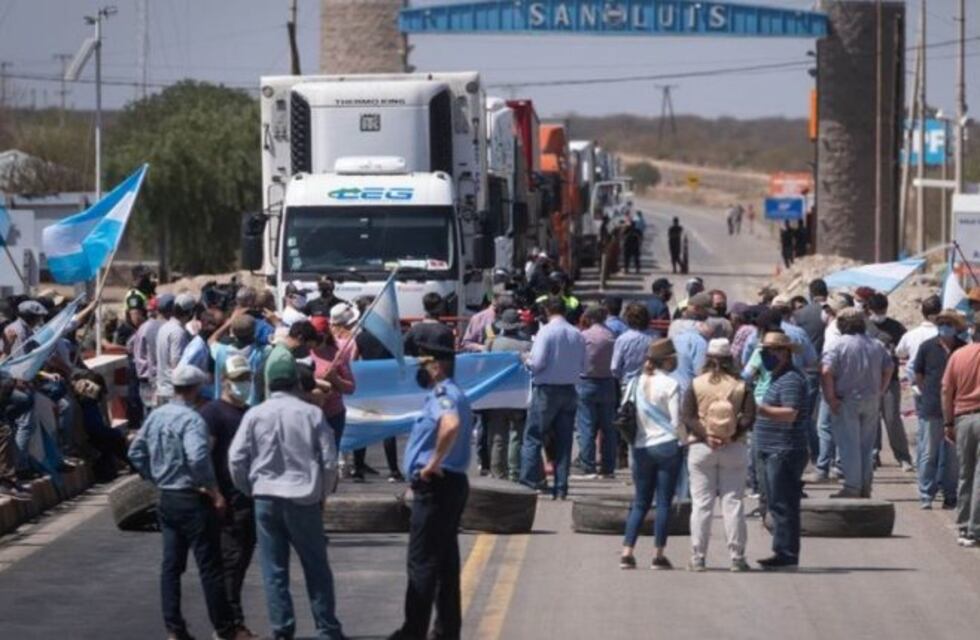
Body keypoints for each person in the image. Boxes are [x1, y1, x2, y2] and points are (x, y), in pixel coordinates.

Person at [228, 351, 345, 639]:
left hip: (266, 498)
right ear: (296, 381)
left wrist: (250, 489)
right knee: (316, 567)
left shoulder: (255, 414)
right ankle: (326, 628)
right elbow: (330, 462)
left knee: (274, 570)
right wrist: (322, 493)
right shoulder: (312, 414)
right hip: (304, 498)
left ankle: (282, 630)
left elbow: (235, 459)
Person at [127, 365, 242, 640]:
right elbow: (197, 458)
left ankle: (174, 628)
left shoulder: (157, 416)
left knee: (171, 566)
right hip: (192, 498)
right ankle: (226, 628)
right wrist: (214, 492)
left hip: (167, 496)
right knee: (210, 567)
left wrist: (154, 476)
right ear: (195, 389)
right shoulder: (193, 421)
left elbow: (135, 451)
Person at [389, 340, 474, 640]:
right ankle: (446, 631)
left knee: (422, 563)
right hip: (451, 486)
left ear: (435, 367)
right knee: (445, 564)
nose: (421, 372)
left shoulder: (443, 394)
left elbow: (449, 425)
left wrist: (432, 463)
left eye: (423, 365)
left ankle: (413, 632)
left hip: (436, 487)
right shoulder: (455, 393)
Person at [682, 337, 755, 572]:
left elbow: (688, 416)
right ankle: (737, 557)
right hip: (733, 447)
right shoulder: (741, 385)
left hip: (702, 448)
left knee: (702, 504)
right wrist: (731, 436)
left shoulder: (696, 383)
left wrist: (707, 436)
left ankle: (698, 556)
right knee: (732, 503)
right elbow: (749, 417)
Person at [198, 356, 259, 638]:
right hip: (227, 501)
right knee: (230, 563)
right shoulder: (213, 413)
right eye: (238, 379)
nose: (244, 384)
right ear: (225, 380)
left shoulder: (248, 413)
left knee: (241, 561)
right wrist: (214, 493)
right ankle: (230, 624)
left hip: (248, 499)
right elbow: (203, 457)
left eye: (247, 378)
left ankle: (233, 621)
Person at [620, 339, 683, 570]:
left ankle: (627, 552)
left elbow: (625, 411)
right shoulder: (671, 384)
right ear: (667, 360)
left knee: (640, 502)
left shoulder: (634, 382)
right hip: (667, 445)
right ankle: (658, 555)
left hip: (641, 446)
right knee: (664, 502)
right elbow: (677, 421)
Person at [821, 308, 892, 498]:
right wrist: (881, 391)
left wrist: (831, 398)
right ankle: (865, 486)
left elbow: (826, 371)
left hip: (847, 401)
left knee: (848, 444)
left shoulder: (838, 345)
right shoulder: (876, 344)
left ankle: (852, 487)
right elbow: (889, 368)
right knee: (866, 446)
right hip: (871, 400)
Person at [520, 296, 586, 499]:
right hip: (569, 390)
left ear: (548, 311)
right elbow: (583, 365)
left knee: (533, 437)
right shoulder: (577, 333)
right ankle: (561, 487)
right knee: (564, 442)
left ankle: (529, 483)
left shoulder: (545, 332)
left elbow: (538, 362)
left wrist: (526, 360)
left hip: (547, 390)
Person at [754, 332, 809, 570]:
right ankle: (782, 550)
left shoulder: (791, 380)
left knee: (783, 503)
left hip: (784, 449)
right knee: (776, 502)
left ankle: (786, 553)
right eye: (765, 351)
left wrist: (759, 410)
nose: (767, 356)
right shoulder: (776, 377)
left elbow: (790, 413)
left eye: (772, 351)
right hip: (771, 447)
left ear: (785, 353)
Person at [913, 310, 964, 510]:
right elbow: (918, 374)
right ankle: (926, 493)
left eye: (949, 323)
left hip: (956, 408)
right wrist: (927, 393)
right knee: (928, 453)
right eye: (942, 323)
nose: (945, 327)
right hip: (932, 408)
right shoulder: (927, 347)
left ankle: (950, 495)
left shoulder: (962, 348)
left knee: (952, 457)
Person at [866, 292, 914, 471]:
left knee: (892, 418)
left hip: (891, 380)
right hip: (869, 380)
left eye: (882, 310)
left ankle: (903, 457)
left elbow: (906, 350)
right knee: (871, 419)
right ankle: (872, 454)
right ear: (869, 310)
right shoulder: (864, 326)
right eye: (877, 310)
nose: (880, 313)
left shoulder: (896, 327)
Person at [941, 327, 980, 547]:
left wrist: (948, 422)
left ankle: (964, 526)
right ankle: (976, 529)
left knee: (965, 473)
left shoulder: (958, 355)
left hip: (963, 418)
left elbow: (946, 389)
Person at [485, 309, 531, 481]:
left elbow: (484, 366)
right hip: (518, 396)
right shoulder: (526, 345)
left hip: (497, 394)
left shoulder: (492, 344)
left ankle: (497, 473)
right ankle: (514, 471)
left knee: (497, 437)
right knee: (516, 436)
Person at [575, 305, 618, 478]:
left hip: (586, 381)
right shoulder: (611, 335)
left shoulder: (584, 336)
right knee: (608, 428)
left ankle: (588, 465)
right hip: (608, 382)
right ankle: (608, 467)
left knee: (586, 426)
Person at [155, 293, 195, 406]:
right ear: (190, 312)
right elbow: (176, 365)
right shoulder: (178, 332)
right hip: (172, 393)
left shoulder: (165, 327)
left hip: (162, 389)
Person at [611, 303, 654, 384]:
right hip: (650, 382)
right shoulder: (655, 337)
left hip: (627, 382)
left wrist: (621, 378)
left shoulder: (622, 340)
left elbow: (615, 367)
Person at [404, 292, 455, 357]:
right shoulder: (446, 331)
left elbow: (403, 349)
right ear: (440, 307)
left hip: (420, 365)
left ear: (424, 308)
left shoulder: (414, 330)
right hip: (439, 366)